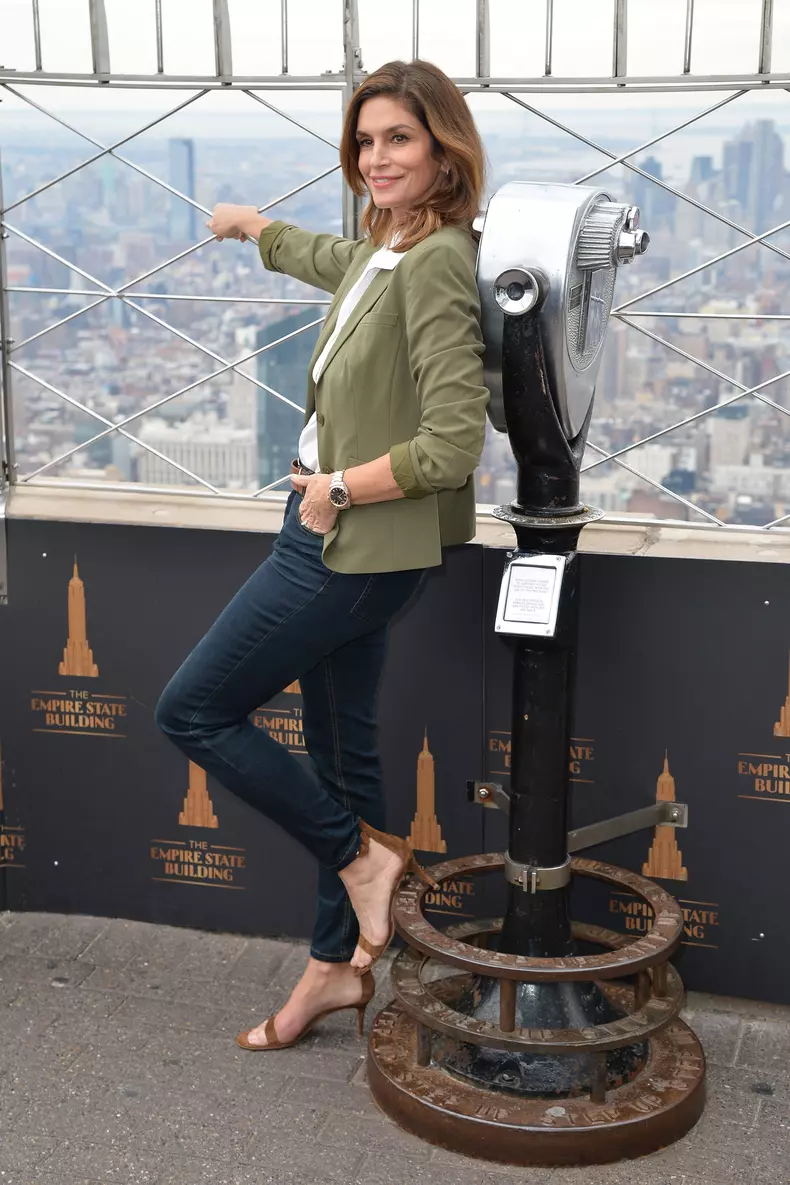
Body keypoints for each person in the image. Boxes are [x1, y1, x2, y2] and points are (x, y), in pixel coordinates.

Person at [155, 58, 489, 1051]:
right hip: (337, 532)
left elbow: (451, 444)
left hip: (346, 542)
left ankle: (361, 861)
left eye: (399, 138)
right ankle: (337, 973)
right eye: (365, 139)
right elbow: (334, 267)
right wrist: (256, 229)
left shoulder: (435, 260)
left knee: (192, 708)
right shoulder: (390, 244)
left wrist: (337, 488)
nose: (376, 157)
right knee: (343, 754)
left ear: (444, 149)